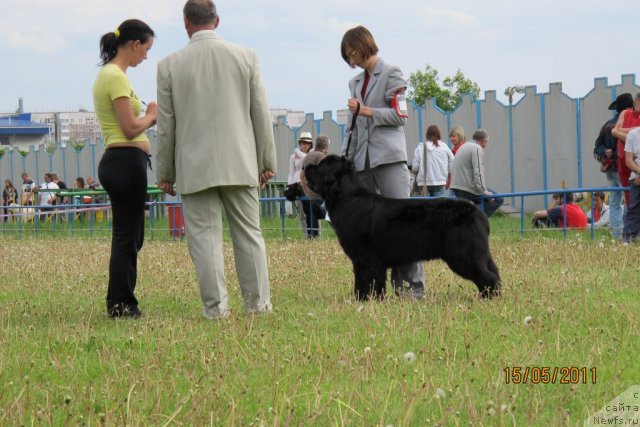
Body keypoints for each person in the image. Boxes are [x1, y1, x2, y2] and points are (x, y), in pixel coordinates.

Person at [156, 0, 276, 319]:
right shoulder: (246, 56)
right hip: (241, 161)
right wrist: (266, 161)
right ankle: (259, 306)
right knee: (249, 235)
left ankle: (216, 309)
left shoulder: (169, 65)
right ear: (217, 20)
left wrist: (165, 172)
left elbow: (166, 125)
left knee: (205, 241)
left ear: (186, 23)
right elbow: (260, 114)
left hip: (194, 166)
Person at [340, 25, 424, 299]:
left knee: (402, 226)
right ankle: (372, 289)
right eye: (347, 58)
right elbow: (350, 127)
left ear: (363, 45)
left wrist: (366, 111)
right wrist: (345, 159)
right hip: (361, 164)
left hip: (389, 160)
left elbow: (400, 116)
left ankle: (410, 289)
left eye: (351, 54)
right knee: (367, 232)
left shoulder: (392, 73)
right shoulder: (354, 83)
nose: (351, 62)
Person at [93, 18, 157, 318]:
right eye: (146, 49)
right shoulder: (115, 77)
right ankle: (121, 304)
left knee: (131, 235)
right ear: (134, 45)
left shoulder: (114, 76)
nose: (146, 56)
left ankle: (120, 299)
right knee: (127, 236)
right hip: (124, 163)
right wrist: (152, 116)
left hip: (124, 163)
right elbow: (130, 128)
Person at [593, 93, 633, 238]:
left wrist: (606, 151)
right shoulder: (627, 124)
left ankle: (617, 235)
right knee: (630, 201)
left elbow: (597, 147)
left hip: (610, 170)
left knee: (615, 202)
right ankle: (630, 234)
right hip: (624, 169)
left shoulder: (607, 125)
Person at [450, 128, 504, 217]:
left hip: (457, 186)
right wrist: (483, 190)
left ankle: (471, 219)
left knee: (479, 203)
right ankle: (476, 222)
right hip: (466, 188)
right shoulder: (477, 148)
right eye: (487, 142)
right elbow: (478, 170)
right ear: (483, 141)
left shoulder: (465, 146)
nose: (486, 144)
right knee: (498, 198)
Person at [612, 92, 640, 206]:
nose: (636, 103)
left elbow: (616, 131)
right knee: (628, 196)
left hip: (636, 161)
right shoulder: (625, 113)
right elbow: (614, 131)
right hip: (623, 160)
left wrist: (621, 131)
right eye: (636, 101)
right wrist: (633, 133)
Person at [300, 135, 330, 238]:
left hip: (310, 198)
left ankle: (314, 239)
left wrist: (306, 192)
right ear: (326, 146)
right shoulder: (321, 156)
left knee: (313, 223)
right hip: (320, 197)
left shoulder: (308, 155)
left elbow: (301, 176)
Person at [411, 125, 453, 197]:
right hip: (440, 182)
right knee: (439, 207)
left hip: (423, 184)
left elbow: (415, 168)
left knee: (425, 207)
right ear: (439, 134)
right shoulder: (444, 147)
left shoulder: (420, 148)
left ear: (427, 135)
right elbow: (452, 165)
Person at [287, 131, 313, 237]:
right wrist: (290, 187)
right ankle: (306, 235)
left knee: (314, 211)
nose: (305, 145)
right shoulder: (293, 157)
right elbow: (291, 173)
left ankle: (316, 234)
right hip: (299, 186)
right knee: (302, 212)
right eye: (303, 143)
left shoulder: (314, 155)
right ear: (300, 143)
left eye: (307, 143)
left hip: (312, 186)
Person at [622, 127, 640, 242]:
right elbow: (629, 161)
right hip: (637, 179)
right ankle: (627, 242)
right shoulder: (633, 134)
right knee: (634, 211)